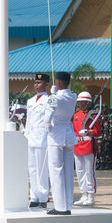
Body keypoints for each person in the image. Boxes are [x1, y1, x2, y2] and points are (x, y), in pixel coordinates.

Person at [44, 72, 77, 215]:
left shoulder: (54, 98)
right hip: (69, 135)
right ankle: (68, 206)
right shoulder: (73, 96)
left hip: (56, 136)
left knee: (56, 171)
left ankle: (60, 206)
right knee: (68, 172)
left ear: (58, 82)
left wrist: (52, 96)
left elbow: (47, 119)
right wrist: (54, 96)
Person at [24, 73, 50, 208]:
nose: (36, 85)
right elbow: (28, 121)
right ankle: (34, 196)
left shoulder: (48, 100)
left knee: (42, 169)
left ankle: (43, 197)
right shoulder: (30, 101)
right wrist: (26, 135)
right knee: (32, 169)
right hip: (31, 138)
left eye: (39, 83)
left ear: (46, 85)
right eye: (35, 83)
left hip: (42, 138)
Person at [72, 92, 102, 206]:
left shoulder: (93, 115)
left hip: (89, 145)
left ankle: (91, 195)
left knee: (90, 172)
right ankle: (83, 194)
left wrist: (89, 132)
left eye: (83, 102)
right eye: (79, 102)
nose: (81, 104)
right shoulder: (76, 115)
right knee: (80, 172)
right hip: (77, 145)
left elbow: (98, 132)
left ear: (88, 103)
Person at [97, 104, 112, 170]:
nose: (103, 110)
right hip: (100, 137)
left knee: (107, 151)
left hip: (107, 137)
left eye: (105, 108)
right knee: (100, 151)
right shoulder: (99, 117)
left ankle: (108, 164)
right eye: (102, 108)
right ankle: (101, 163)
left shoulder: (109, 117)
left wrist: (111, 137)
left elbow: (111, 128)